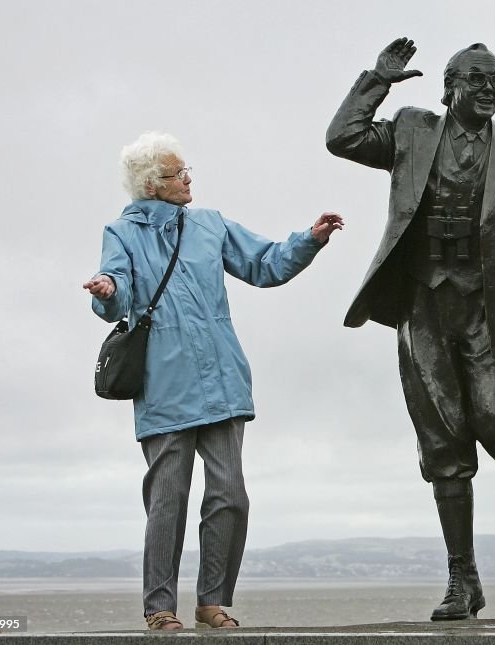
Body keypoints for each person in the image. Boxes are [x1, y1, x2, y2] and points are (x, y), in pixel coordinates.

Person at [326, 38, 495, 620]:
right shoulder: (412, 131)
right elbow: (341, 137)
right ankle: (462, 580)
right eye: (479, 81)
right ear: (450, 87)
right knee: (443, 445)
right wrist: (377, 79)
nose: (491, 91)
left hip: (486, 309)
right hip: (422, 305)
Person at [83, 131, 343, 630]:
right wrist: (106, 290)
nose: (187, 179)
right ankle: (160, 608)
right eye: (176, 173)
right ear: (151, 185)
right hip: (163, 384)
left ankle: (212, 601)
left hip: (223, 380)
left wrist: (309, 240)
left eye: (187, 170)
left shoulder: (210, 225)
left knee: (230, 495)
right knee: (167, 500)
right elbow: (114, 289)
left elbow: (264, 264)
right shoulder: (121, 233)